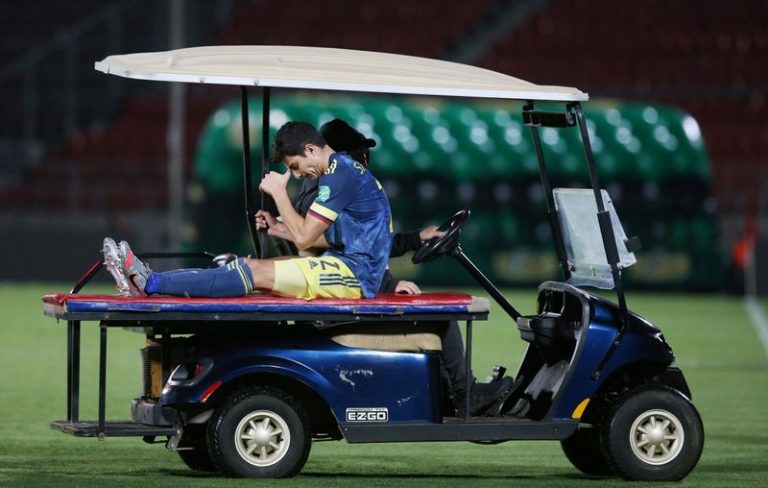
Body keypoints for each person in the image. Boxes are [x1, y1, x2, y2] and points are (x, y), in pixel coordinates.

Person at [265, 118, 514, 417]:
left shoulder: (325, 192)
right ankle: (464, 395)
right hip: (347, 302)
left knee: (428, 310)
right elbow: (340, 251)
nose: (363, 160)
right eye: (358, 152)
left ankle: (450, 395)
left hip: (349, 291)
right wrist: (387, 285)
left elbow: (356, 243)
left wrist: (413, 239)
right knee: (443, 317)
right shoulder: (331, 191)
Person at [103, 121, 392, 301]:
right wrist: (280, 228)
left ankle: (150, 282)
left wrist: (279, 193)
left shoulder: (339, 174)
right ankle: (149, 280)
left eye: (294, 166)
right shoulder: (341, 171)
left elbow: (304, 240)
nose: (298, 174)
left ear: (311, 149)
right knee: (244, 265)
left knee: (252, 270)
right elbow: (330, 239)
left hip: (355, 277)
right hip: (347, 266)